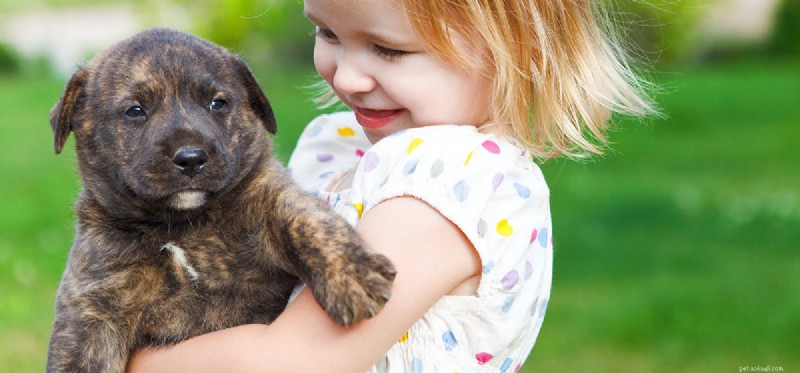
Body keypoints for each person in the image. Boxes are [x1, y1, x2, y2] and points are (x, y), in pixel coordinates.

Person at [128, 0, 655, 371]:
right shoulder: (345, 145)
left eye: (389, 49)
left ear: (513, 45)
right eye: (328, 33)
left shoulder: (451, 182)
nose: (348, 77)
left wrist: (129, 361)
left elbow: (297, 360)